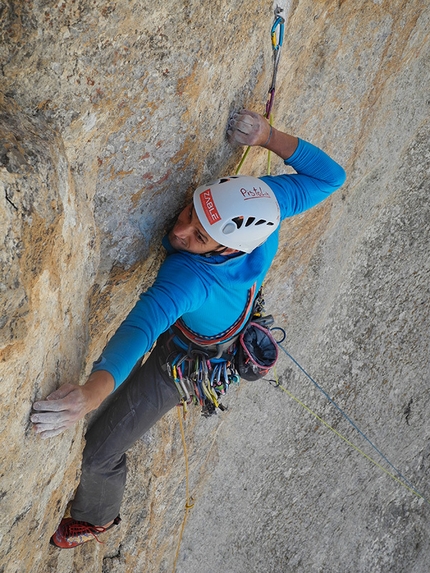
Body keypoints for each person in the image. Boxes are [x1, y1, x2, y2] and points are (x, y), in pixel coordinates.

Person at [31, 109, 346, 548]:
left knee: (99, 454)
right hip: (222, 319)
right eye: (189, 212)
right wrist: (268, 136)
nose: (180, 231)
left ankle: (95, 518)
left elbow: (142, 329)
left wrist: (89, 396)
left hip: (186, 362)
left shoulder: (189, 277)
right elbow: (331, 178)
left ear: (229, 246)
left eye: (198, 236)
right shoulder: (262, 205)